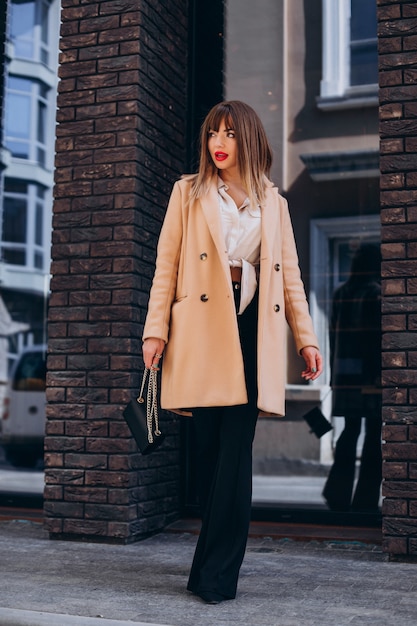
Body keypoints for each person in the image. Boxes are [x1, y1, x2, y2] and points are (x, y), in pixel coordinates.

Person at [142, 100, 322, 604]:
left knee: (235, 456)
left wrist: (305, 338)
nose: (218, 143)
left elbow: (290, 279)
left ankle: (217, 578)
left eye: (228, 134)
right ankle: (207, 570)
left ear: (248, 139)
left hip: (249, 333)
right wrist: (154, 332)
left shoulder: (274, 203)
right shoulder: (188, 193)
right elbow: (165, 268)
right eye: (212, 134)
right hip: (200, 334)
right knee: (210, 455)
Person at [322, 244, 382, 513]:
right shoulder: (376, 294)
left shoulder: (341, 293)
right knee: (373, 436)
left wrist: (335, 378)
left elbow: (334, 339)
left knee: (350, 431)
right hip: (371, 377)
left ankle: (337, 493)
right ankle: (365, 501)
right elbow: (375, 341)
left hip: (346, 376)